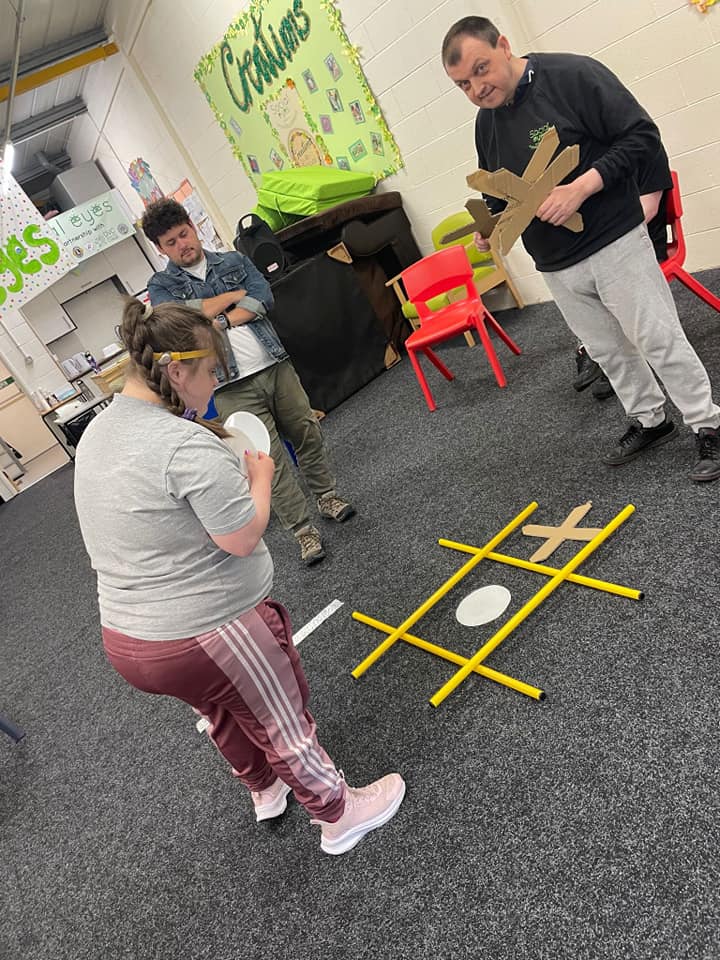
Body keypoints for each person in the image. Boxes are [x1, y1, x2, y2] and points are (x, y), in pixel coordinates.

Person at [73, 297, 405, 855]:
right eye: (211, 373)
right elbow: (242, 536)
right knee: (281, 717)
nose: (214, 387)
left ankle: (265, 788)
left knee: (221, 707)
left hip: (129, 638)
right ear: (177, 372)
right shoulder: (181, 445)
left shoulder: (100, 430)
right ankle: (339, 814)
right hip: (203, 630)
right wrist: (260, 476)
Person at [442, 17, 720, 482]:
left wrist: (582, 187)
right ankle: (650, 419)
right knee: (607, 350)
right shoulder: (484, 125)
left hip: (614, 240)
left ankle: (708, 423)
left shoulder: (572, 76)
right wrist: (489, 227)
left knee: (658, 337)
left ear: (504, 45)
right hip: (556, 263)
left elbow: (642, 137)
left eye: (481, 69)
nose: (476, 88)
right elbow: (497, 194)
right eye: (463, 84)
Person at [141, 198, 355, 565]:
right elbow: (181, 323)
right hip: (228, 386)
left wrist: (219, 320)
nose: (182, 245)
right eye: (171, 243)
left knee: (306, 431)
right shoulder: (162, 285)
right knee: (266, 459)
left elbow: (264, 298)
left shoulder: (233, 261)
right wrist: (231, 297)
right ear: (160, 249)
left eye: (184, 234)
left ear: (192, 226)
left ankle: (327, 496)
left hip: (274, 364)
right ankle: (302, 530)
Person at [574, 144, 673, 401]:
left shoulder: (647, 150)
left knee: (609, 279)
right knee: (575, 280)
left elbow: (648, 209)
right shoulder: (597, 159)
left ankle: (601, 356)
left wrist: (600, 236)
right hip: (607, 246)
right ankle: (598, 352)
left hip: (641, 241)